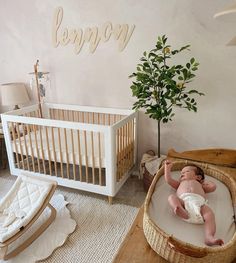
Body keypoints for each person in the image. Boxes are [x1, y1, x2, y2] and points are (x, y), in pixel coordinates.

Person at [164, 160, 224, 246]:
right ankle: (179, 209)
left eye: (186, 171)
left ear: (198, 177)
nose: (182, 174)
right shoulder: (179, 184)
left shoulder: (201, 186)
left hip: (199, 205)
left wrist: (207, 182)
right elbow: (168, 180)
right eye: (181, 173)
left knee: (209, 214)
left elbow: (213, 187)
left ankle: (209, 237)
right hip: (183, 203)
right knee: (171, 197)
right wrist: (167, 168)